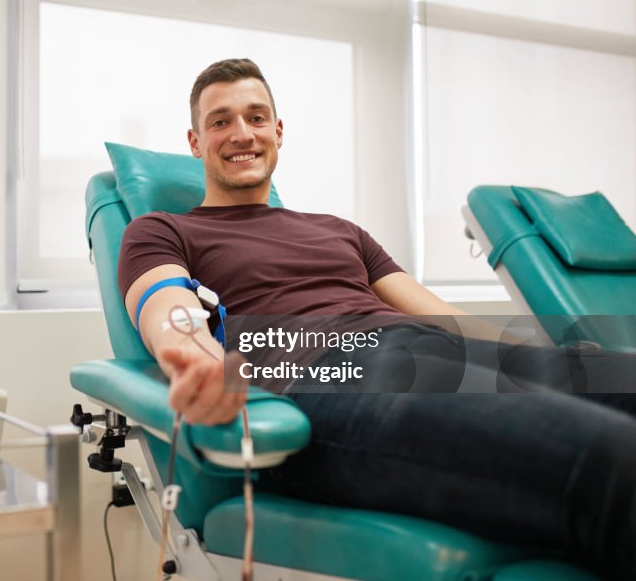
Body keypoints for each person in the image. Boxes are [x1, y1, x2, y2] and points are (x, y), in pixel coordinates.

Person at [117, 58, 636, 580]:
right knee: (612, 458)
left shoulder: (338, 229)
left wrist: (549, 358)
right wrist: (196, 356)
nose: (241, 133)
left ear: (278, 130)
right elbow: (166, 305)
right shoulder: (163, 229)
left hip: (434, 352)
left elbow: (440, 315)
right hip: (333, 376)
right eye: (220, 121)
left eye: (256, 117)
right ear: (194, 140)